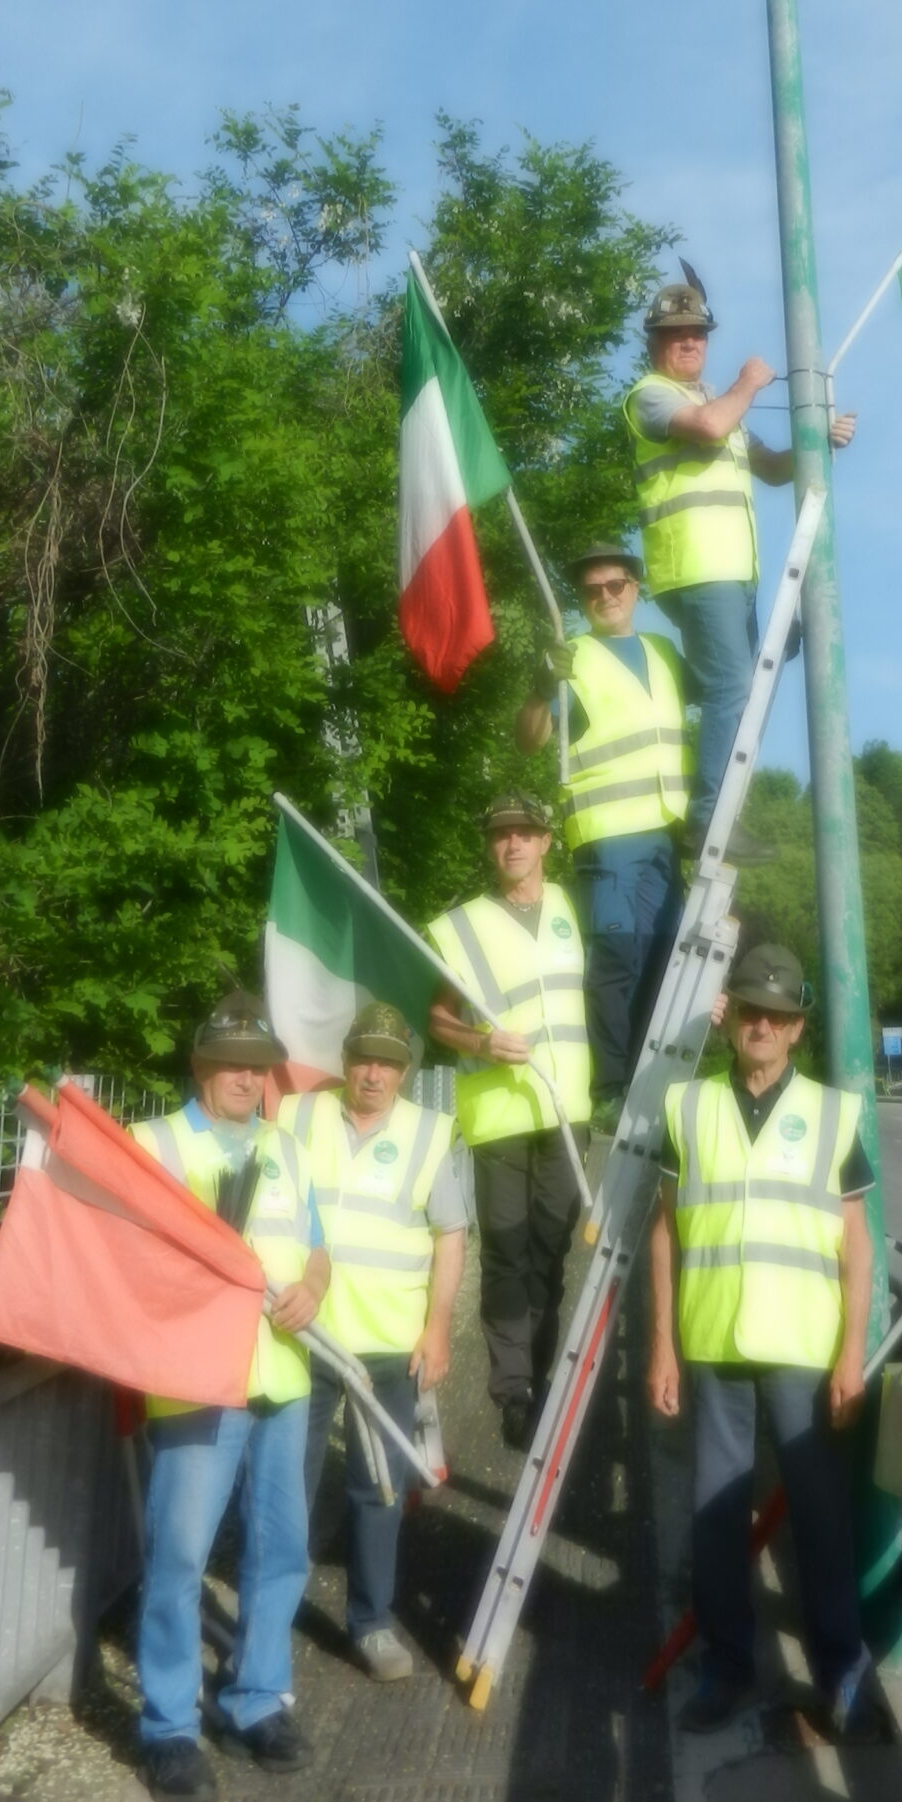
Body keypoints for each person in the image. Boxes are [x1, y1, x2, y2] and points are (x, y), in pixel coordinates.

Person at [646, 943, 880, 1736]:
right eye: (750, 1010)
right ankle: (727, 1668)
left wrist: (852, 1353)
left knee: (820, 1518)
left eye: (778, 1015)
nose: (762, 1025)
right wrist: (662, 1347)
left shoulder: (832, 1113)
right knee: (716, 1519)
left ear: (797, 1029)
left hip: (806, 1351)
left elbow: (857, 1242)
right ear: (731, 1020)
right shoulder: (688, 1107)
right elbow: (666, 1232)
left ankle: (841, 1669)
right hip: (712, 1342)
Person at [130, 993, 329, 1802]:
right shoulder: (155, 1145)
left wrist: (313, 1289)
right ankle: (169, 1728)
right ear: (199, 1066)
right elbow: (128, 1262)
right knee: (179, 1558)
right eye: (232, 1063)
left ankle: (256, 1700)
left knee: (280, 1551)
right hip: (195, 1382)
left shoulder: (286, 1148)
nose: (248, 1077)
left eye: (259, 1064)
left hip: (282, 1376)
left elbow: (315, 1247)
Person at [623, 271, 856, 858]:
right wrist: (748, 384)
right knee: (733, 684)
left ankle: (665, 686)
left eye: (697, 334)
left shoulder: (715, 403)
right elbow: (708, 428)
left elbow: (773, 468)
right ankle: (707, 819)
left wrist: (818, 442)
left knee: (741, 680)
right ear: (654, 344)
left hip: (731, 570)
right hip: (696, 568)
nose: (689, 342)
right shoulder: (652, 395)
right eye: (676, 334)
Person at [279, 1002, 466, 1683]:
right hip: (304, 1337)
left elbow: (451, 1234)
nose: (373, 1072)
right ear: (346, 1061)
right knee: (284, 1482)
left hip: (390, 1345)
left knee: (377, 1488)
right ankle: (271, 1614)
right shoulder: (297, 1117)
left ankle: (370, 1623)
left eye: (388, 1062)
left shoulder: (431, 1134)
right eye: (363, 1058)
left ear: (405, 1071)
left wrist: (438, 1326)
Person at [426, 793, 593, 1449]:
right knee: (506, 1254)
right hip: (497, 1114)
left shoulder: (573, 913)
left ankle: (540, 1371)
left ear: (547, 842)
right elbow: (437, 1019)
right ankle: (514, 1390)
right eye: (501, 836)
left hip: (566, 1109)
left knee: (549, 1255)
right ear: (490, 847)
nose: (513, 844)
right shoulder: (459, 926)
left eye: (525, 833)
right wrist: (480, 1044)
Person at [515, 541, 688, 1101]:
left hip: (668, 830)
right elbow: (529, 739)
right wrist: (542, 689)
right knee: (615, 960)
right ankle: (611, 1089)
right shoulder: (574, 659)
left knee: (663, 958)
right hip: (607, 836)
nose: (605, 597)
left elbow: (721, 683)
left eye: (616, 585)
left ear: (635, 588)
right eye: (592, 591)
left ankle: (648, 1083)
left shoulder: (663, 651)